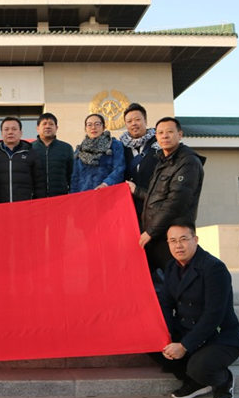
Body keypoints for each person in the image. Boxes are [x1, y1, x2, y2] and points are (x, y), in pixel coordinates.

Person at [155, 222, 239, 398]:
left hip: (218, 335)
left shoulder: (214, 268)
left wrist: (184, 346)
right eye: (173, 241)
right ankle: (197, 383)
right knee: (158, 348)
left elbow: (213, 315)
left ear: (196, 240)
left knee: (200, 367)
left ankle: (223, 380)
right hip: (185, 329)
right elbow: (166, 304)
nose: (178, 245)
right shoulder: (171, 267)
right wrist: (166, 335)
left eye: (184, 239)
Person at [127, 116, 205, 279]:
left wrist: (150, 231)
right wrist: (136, 191)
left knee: (177, 281)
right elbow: (157, 196)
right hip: (158, 234)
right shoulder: (163, 161)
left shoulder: (188, 162)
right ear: (156, 136)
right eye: (160, 133)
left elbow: (176, 202)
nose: (165, 136)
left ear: (180, 134)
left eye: (170, 132)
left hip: (171, 235)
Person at [119, 103, 160, 219]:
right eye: (129, 121)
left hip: (155, 205)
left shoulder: (159, 143)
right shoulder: (120, 147)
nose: (134, 124)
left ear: (145, 121)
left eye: (137, 119)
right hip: (130, 209)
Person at [0, 117, 46, 203]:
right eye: (6, 129)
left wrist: (38, 203)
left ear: (20, 133)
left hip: (25, 206)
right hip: (0, 207)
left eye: (14, 129)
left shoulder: (31, 154)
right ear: (1, 133)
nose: (10, 132)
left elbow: (40, 184)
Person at [70, 113, 125, 193]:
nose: (93, 127)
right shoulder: (79, 150)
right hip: (85, 196)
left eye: (97, 124)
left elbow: (119, 169)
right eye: (89, 125)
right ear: (85, 129)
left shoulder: (114, 145)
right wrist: (73, 196)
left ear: (103, 127)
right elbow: (74, 177)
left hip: (108, 193)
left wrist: (106, 184)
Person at [31, 112, 74, 197]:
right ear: (38, 128)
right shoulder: (29, 148)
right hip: (36, 199)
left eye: (51, 124)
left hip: (60, 198)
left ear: (56, 127)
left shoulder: (66, 148)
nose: (47, 126)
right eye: (44, 124)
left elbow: (72, 175)